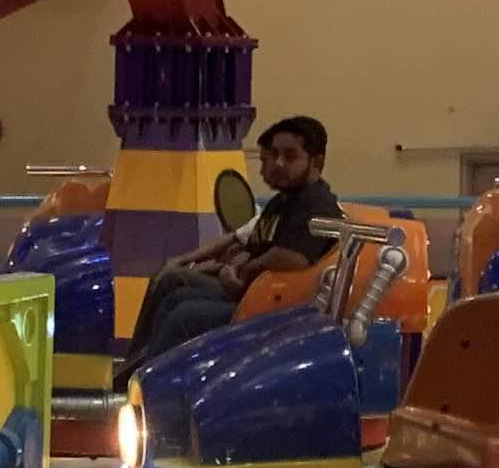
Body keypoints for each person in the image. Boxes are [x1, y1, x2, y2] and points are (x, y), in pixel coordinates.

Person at [124, 116, 345, 371]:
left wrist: (244, 269)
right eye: (274, 155)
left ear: (316, 162)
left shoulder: (316, 203)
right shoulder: (282, 201)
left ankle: (147, 382)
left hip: (273, 307)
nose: (278, 163)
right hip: (249, 293)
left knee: (184, 314)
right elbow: (250, 247)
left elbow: (292, 257)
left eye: (290, 156)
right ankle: (135, 368)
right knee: (174, 289)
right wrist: (230, 267)